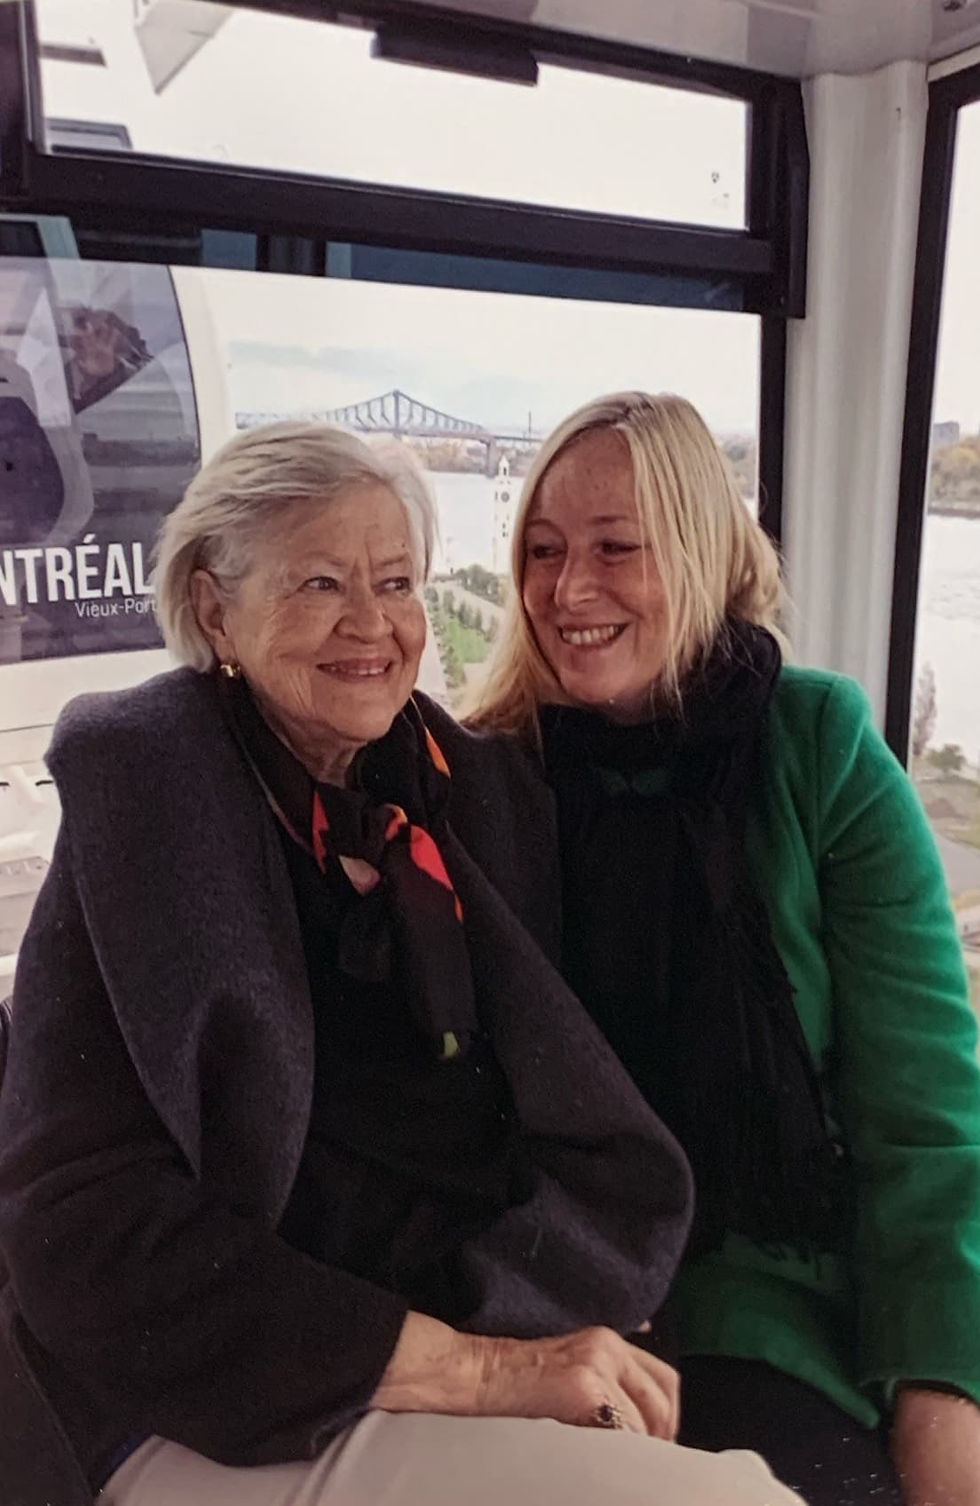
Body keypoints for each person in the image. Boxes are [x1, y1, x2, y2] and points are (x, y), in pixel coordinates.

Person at [0, 422, 802, 1506]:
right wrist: (477, 1370)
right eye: (319, 583)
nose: (371, 625)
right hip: (213, 1387)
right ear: (211, 609)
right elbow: (81, 1233)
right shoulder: (146, 813)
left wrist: (525, 1324)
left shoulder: (464, 795)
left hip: (456, 1312)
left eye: (396, 581)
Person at [468, 390, 980, 1506]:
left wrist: (940, 1390)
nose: (566, 591)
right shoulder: (489, 778)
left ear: (699, 552)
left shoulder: (819, 751)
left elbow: (923, 1118)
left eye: (615, 548)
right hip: (545, 1299)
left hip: (775, 1296)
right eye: (541, 552)